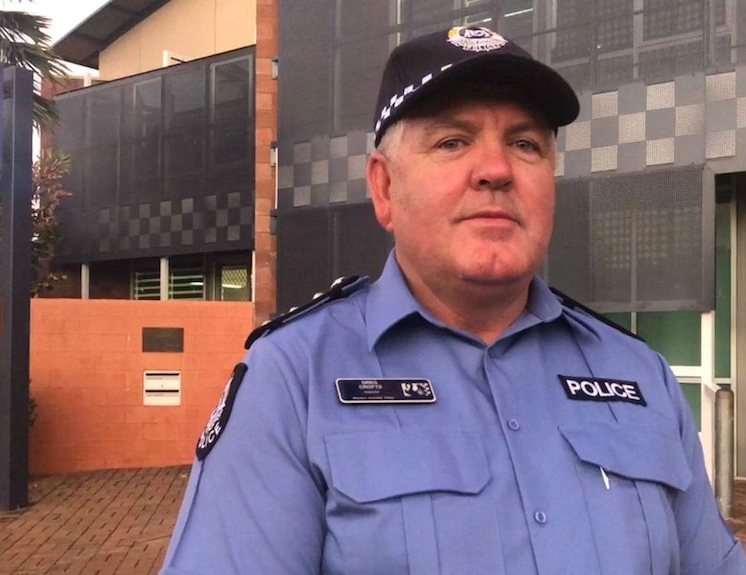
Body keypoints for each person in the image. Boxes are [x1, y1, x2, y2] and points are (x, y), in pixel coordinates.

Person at [160, 25, 746, 574]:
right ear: (385, 188)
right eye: (452, 141)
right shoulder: (291, 380)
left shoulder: (638, 374)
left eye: (525, 144)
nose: (496, 169)